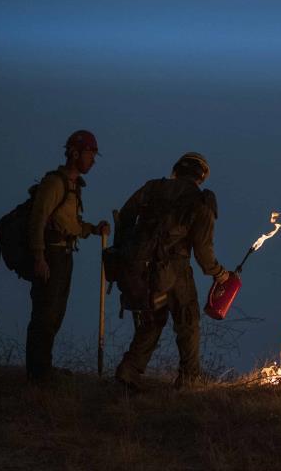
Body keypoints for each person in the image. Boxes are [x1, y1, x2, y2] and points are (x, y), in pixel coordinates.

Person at [114, 152, 230, 390]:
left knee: (152, 319)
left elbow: (125, 215)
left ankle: (128, 372)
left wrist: (124, 250)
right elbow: (203, 253)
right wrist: (219, 273)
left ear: (177, 169)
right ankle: (189, 379)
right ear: (201, 176)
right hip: (174, 269)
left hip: (138, 265)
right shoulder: (201, 201)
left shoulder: (153, 187)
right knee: (188, 321)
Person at [27, 129, 110, 384]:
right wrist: (39, 257)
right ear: (74, 153)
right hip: (51, 254)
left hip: (65, 254)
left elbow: (70, 223)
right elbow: (37, 220)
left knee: (56, 313)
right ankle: (38, 374)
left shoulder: (74, 187)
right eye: (89, 154)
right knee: (45, 313)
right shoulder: (55, 183)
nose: (93, 160)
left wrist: (94, 230)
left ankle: (44, 369)